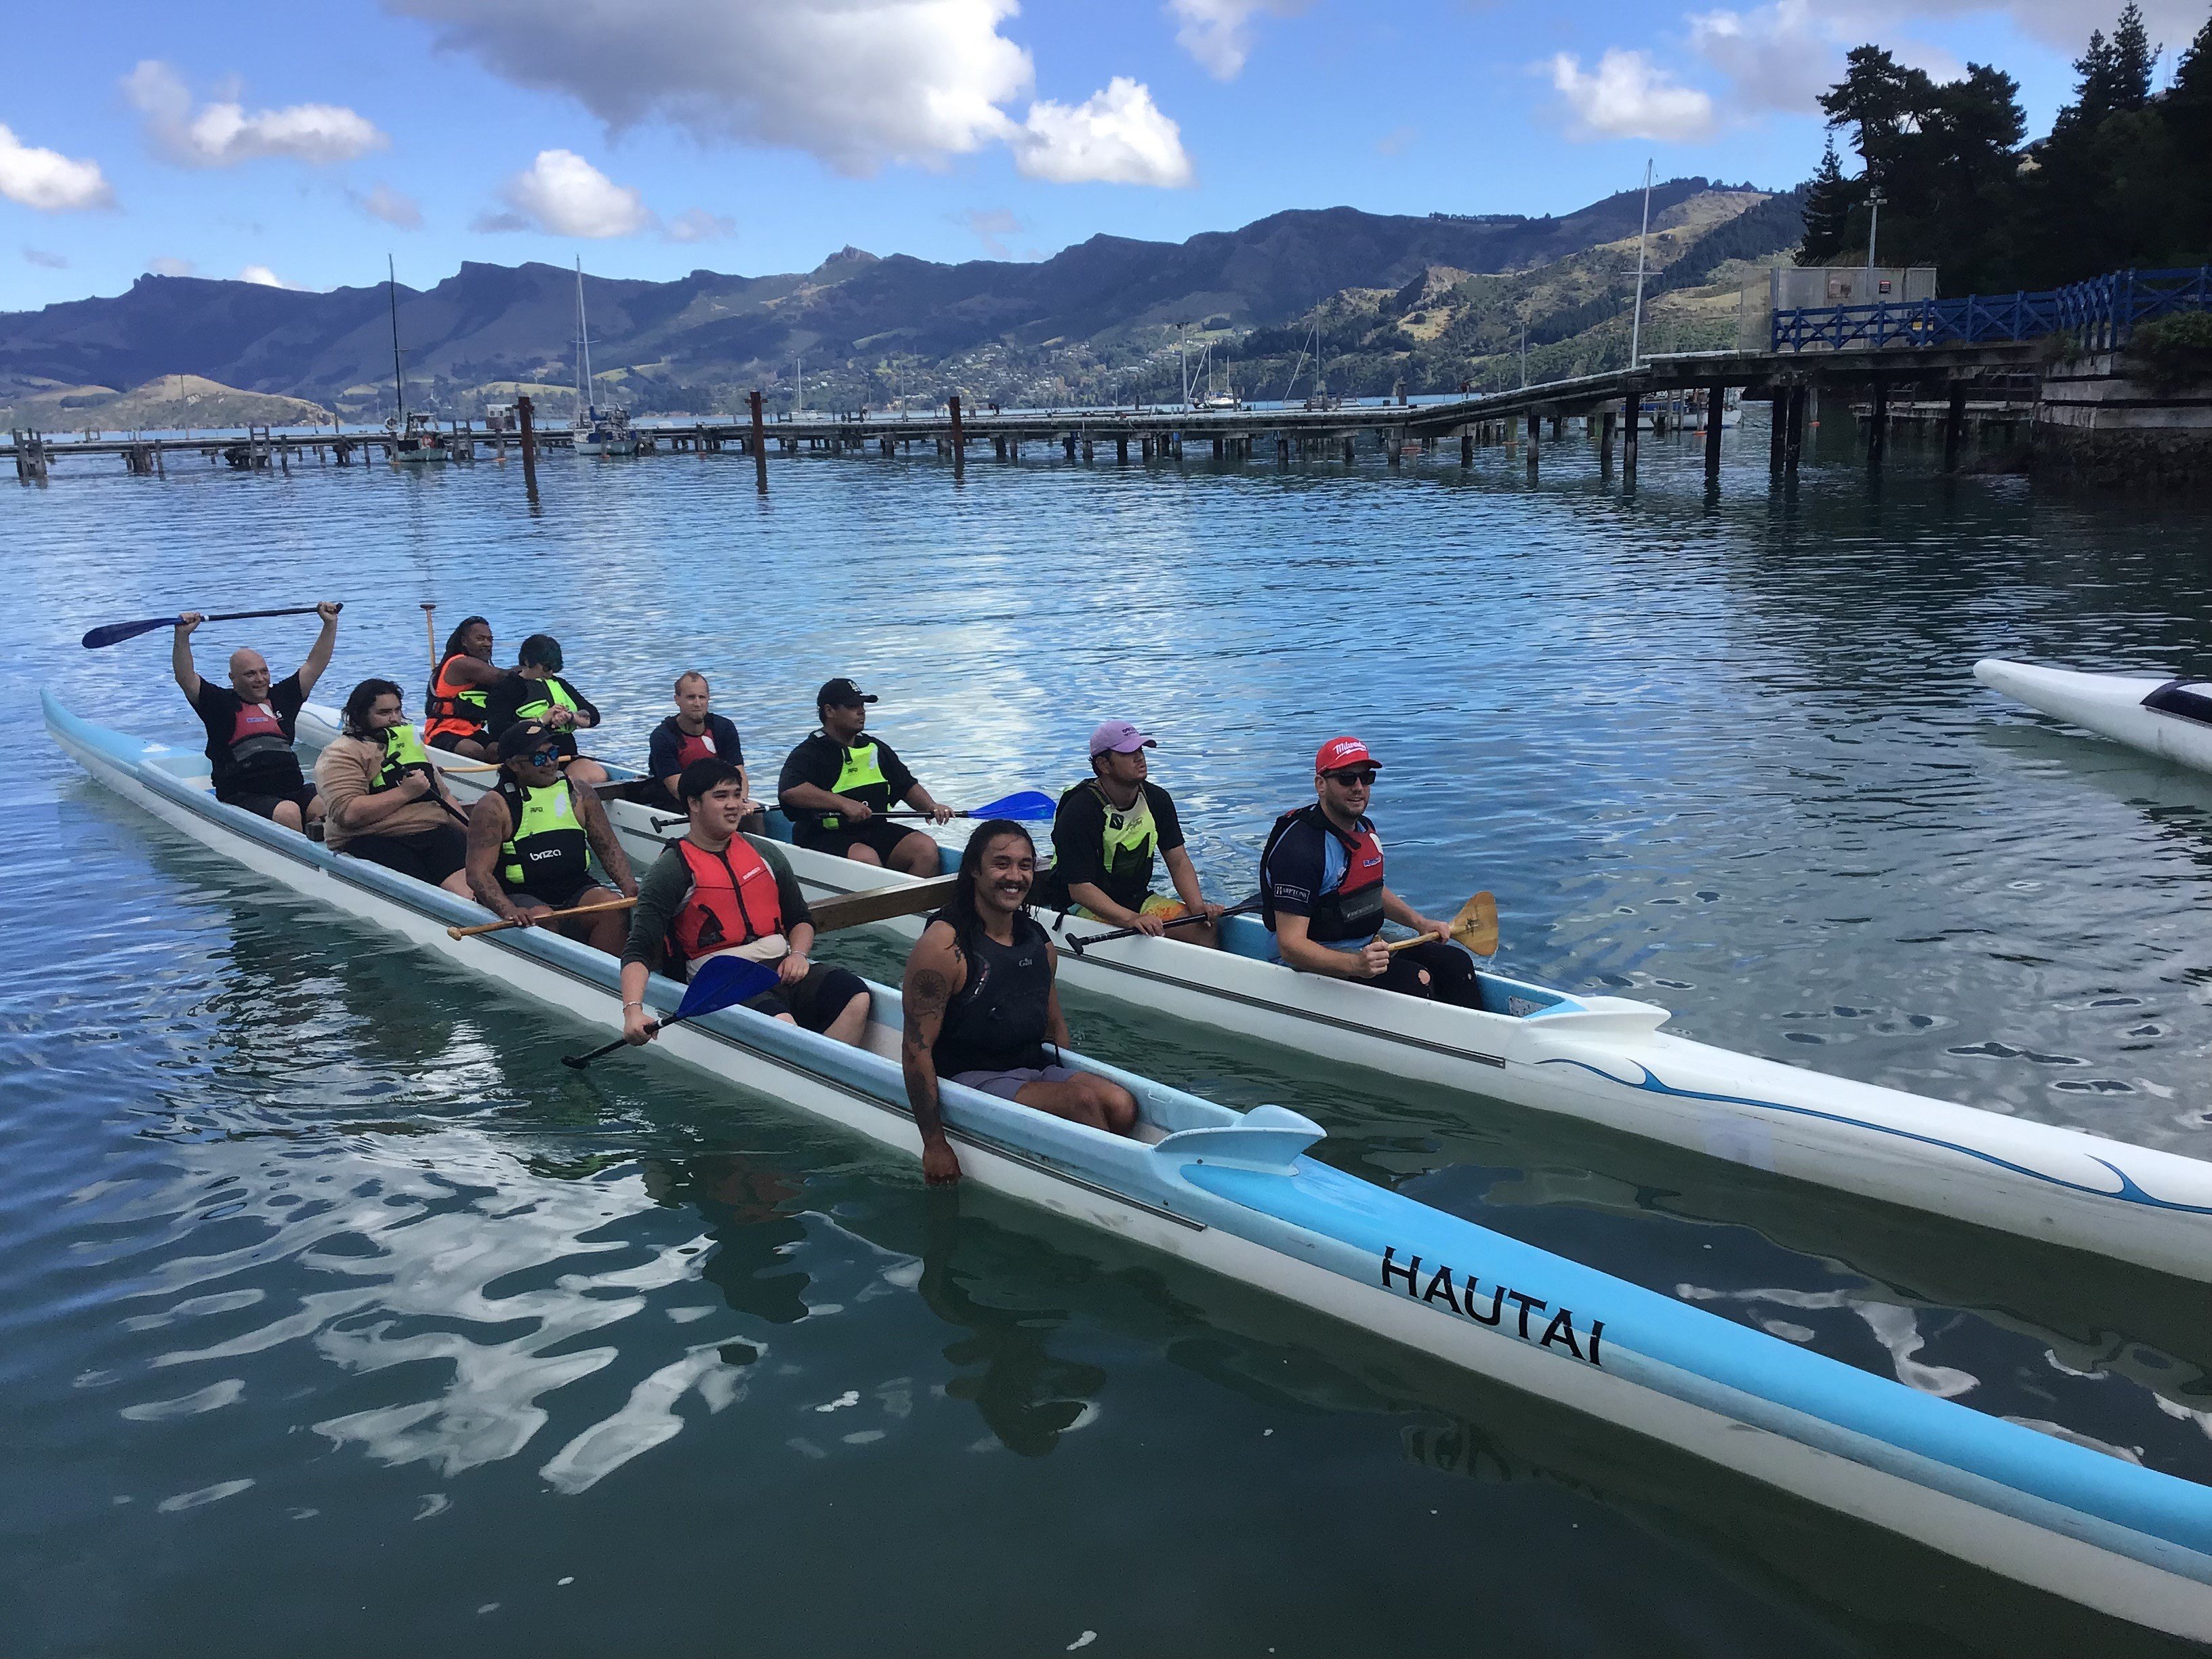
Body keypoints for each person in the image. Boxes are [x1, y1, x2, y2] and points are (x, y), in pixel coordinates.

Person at [899, 820, 1139, 1185]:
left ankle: (1095, 1175)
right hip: (968, 1077)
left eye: (1025, 865)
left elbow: (1054, 1025)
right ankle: (1123, 1187)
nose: (1015, 876)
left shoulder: (1036, 940)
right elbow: (916, 1049)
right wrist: (934, 1143)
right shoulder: (945, 946)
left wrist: (1059, 1076)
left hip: (1029, 1067)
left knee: (1122, 1104)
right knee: (1082, 1103)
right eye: (1001, 864)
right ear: (974, 871)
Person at [619, 758, 871, 1046]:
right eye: (721, 796)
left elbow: (800, 919)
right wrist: (633, 1011)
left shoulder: (765, 853)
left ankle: (829, 1074)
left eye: (737, 795)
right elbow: (639, 948)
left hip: (779, 968)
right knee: (782, 1023)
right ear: (694, 804)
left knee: (855, 994)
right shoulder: (671, 870)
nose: (734, 805)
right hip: (719, 982)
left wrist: (799, 954)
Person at [1258, 736, 1481, 1007]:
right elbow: (1290, 947)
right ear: (1321, 785)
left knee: (1456, 963)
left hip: (1364, 948)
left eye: (1366, 778)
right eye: (1347, 779)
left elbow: (1369, 890)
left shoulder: (1364, 829)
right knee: (1416, 980)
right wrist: (1355, 964)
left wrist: (1420, 923)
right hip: (1306, 963)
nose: (1359, 788)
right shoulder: (1301, 851)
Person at [1044, 719, 1225, 947]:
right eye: (1128, 752)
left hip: (1137, 900)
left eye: (1140, 749)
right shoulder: (1079, 811)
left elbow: (1178, 861)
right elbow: (1080, 889)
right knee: (1144, 939)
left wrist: (1199, 909)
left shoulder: (1157, 799)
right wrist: (1132, 919)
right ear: (1104, 764)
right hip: (1079, 907)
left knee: (1203, 930)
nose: (1140, 757)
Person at [464, 719, 638, 953]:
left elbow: (607, 848)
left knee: (614, 907)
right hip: (521, 894)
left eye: (553, 753)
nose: (549, 763)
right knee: (544, 918)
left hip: (574, 887)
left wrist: (629, 888)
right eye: (538, 758)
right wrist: (508, 910)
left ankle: (609, 976)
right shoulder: (494, 807)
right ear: (515, 765)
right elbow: (477, 874)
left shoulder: (580, 793)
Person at [172, 600, 340, 832]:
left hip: (292, 788)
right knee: (289, 812)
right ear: (233, 679)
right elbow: (186, 677)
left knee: (329, 804)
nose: (260, 679)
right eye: (250, 674)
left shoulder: (283, 697)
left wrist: (330, 624)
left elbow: (315, 664)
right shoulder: (219, 704)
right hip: (242, 793)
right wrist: (183, 636)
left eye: (264, 672)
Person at [777, 678, 951, 876]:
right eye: (852, 706)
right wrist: (843, 804)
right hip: (823, 835)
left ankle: (910, 907)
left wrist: (931, 806)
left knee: (925, 848)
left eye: (862, 705)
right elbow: (790, 791)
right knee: (866, 858)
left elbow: (906, 785)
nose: (862, 711)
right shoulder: (809, 753)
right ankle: (879, 905)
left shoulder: (875, 748)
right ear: (829, 711)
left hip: (874, 829)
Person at [315, 678, 472, 897]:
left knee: (470, 892)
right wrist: (404, 793)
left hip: (433, 831)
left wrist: (474, 834)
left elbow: (444, 796)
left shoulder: (411, 745)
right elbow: (348, 814)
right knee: (426, 891)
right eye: (384, 713)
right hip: (374, 838)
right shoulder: (341, 753)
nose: (394, 718)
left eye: (398, 710)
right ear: (361, 715)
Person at [483, 634, 609, 789]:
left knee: (598, 776)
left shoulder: (559, 684)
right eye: (547, 667)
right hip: (532, 761)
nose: (550, 674)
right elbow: (498, 730)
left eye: (555, 668)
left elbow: (593, 715)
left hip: (564, 756)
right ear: (528, 662)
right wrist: (542, 720)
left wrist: (570, 717)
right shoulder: (506, 689)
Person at [644, 672, 758, 825]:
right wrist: (718, 809)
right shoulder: (662, 737)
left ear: (708, 698)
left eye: (702, 697)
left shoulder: (724, 728)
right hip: (678, 803)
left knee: (754, 814)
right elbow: (678, 789)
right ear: (677, 700)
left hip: (718, 798)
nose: (697, 704)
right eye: (691, 697)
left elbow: (739, 774)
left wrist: (742, 802)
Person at [423, 615, 502, 758]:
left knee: (500, 750)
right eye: (480, 639)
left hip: (472, 731)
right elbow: (500, 677)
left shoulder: (483, 669)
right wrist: (531, 667)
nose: (487, 644)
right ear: (464, 641)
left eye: (490, 639)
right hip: (441, 731)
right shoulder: (460, 664)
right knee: (474, 750)